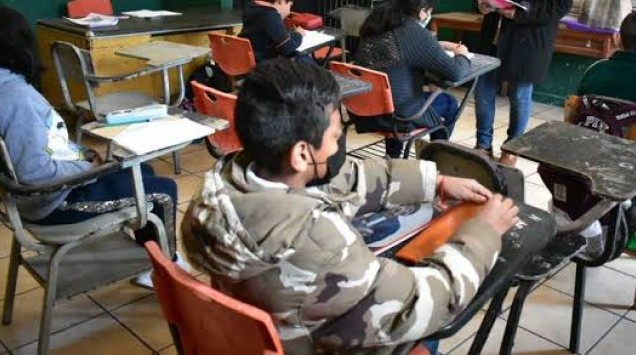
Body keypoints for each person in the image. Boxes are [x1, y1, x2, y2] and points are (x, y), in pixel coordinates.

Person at [182, 60, 520, 355]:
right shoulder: (322, 244)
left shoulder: (226, 185)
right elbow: (426, 301)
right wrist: (483, 233)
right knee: (431, 332)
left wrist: (435, 181)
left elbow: (345, 179)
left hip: (263, 332)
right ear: (301, 154)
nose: (339, 144)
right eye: (334, 136)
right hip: (318, 343)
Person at [0, 5, 182, 287]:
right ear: (15, 46)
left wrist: (82, 156)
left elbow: (41, 145)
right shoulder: (14, 99)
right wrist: (89, 167)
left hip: (31, 196)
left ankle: (149, 258)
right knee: (163, 191)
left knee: (144, 172)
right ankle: (166, 271)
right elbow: (36, 173)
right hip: (52, 203)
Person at [473, 0, 573, 165]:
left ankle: (513, 149)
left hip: (528, 39)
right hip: (493, 34)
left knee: (519, 96)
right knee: (483, 91)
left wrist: (520, 12)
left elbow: (561, 4)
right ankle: (482, 145)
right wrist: (483, 5)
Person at [353, 0, 471, 157]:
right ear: (423, 11)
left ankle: (393, 156)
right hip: (396, 116)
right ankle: (437, 160)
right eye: (429, 11)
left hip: (364, 110)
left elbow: (397, 50)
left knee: (392, 92)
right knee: (449, 103)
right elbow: (455, 72)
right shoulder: (413, 30)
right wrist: (462, 55)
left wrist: (436, 45)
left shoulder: (379, 19)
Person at [239, 0, 308, 62]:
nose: (289, 12)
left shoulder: (252, 7)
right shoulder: (270, 15)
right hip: (262, 63)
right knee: (301, 58)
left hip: (245, 58)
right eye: (290, 6)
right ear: (281, 0)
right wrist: (298, 34)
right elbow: (287, 48)